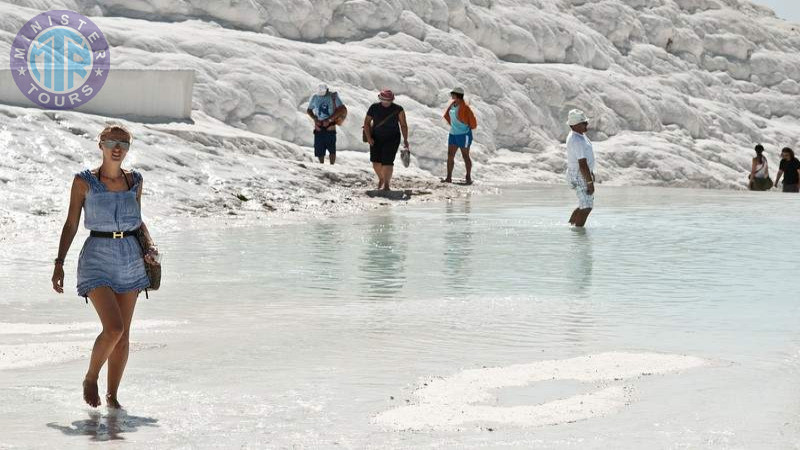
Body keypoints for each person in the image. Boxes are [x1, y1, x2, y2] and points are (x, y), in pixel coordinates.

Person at [51, 124, 159, 409]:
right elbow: (71, 223)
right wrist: (59, 263)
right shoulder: (83, 181)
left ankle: (112, 398)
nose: (117, 147)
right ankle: (90, 377)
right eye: (111, 141)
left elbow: (138, 221)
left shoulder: (135, 180)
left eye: (123, 143)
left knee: (124, 336)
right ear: (100, 144)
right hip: (96, 257)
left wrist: (149, 247)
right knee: (113, 328)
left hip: (131, 258)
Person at [363, 89, 409, 191]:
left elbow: (403, 125)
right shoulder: (374, 107)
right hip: (376, 138)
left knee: (387, 162)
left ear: (392, 100)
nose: (386, 102)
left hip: (392, 138)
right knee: (376, 162)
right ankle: (381, 179)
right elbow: (366, 123)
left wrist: (405, 139)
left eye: (388, 100)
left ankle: (387, 184)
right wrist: (369, 138)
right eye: (384, 99)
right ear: (380, 98)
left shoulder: (398, 109)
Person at [565, 109, 596, 227]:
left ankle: (571, 227)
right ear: (575, 125)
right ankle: (578, 234)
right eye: (584, 123)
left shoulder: (579, 135)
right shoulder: (576, 140)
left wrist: (591, 173)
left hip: (580, 173)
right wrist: (589, 182)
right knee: (587, 207)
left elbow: (585, 162)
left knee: (585, 204)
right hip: (579, 174)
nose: (587, 124)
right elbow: (582, 164)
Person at [442, 87, 478, 185]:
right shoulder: (452, 105)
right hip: (453, 134)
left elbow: (473, 122)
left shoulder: (465, 107)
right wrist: (454, 126)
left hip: (464, 135)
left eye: (453, 93)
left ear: (457, 95)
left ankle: (468, 177)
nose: (451, 95)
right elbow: (448, 116)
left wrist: (464, 128)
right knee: (450, 155)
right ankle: (449, 177)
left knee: (465, 156)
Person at [307, 83, 347, 165]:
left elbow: (342, 109)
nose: (321, 95)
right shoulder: (315, 97)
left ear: (327, 90)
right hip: (319, 125)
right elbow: (309, 110)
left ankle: (332, 165)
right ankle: (321, 165)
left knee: (331, 147)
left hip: (330, 125)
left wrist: (329, 119)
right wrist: (315, 118)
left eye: (323, 93)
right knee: (319, 147)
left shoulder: (333, 96)